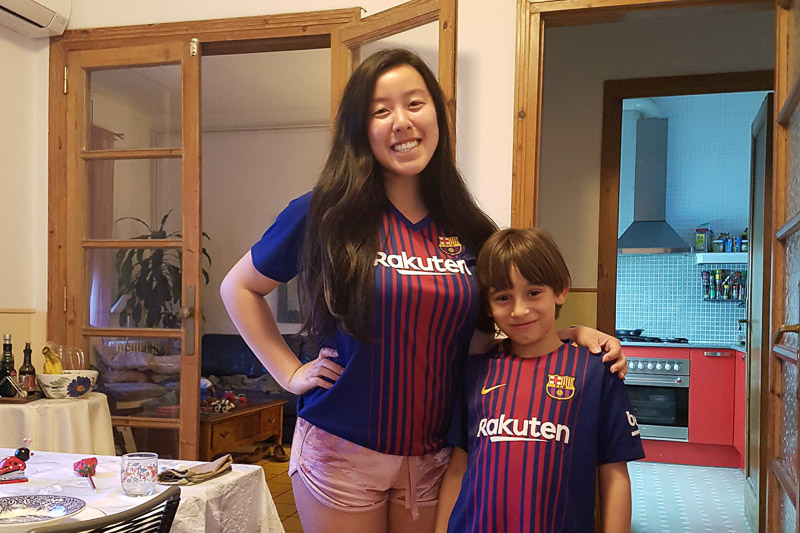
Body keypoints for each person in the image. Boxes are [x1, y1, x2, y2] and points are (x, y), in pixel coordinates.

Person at [220, 48, 627, 533]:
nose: (401, 121)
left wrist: (570, 334)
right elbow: (239, 287)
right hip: (341, 450)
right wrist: (289, 374)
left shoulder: (470, 228)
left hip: (436, 456)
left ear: (436, 113)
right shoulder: (323, 212)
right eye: (380, 110)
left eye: (414, 103)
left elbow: (494, 329)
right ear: (360, 127)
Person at [435, 227, 645, 533]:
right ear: (489, 307)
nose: (519, 310)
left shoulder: (597, 372)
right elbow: (458, 468)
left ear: (560, 290)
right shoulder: (476, 371)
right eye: (503, 297)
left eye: (533, 293)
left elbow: (613, 475)